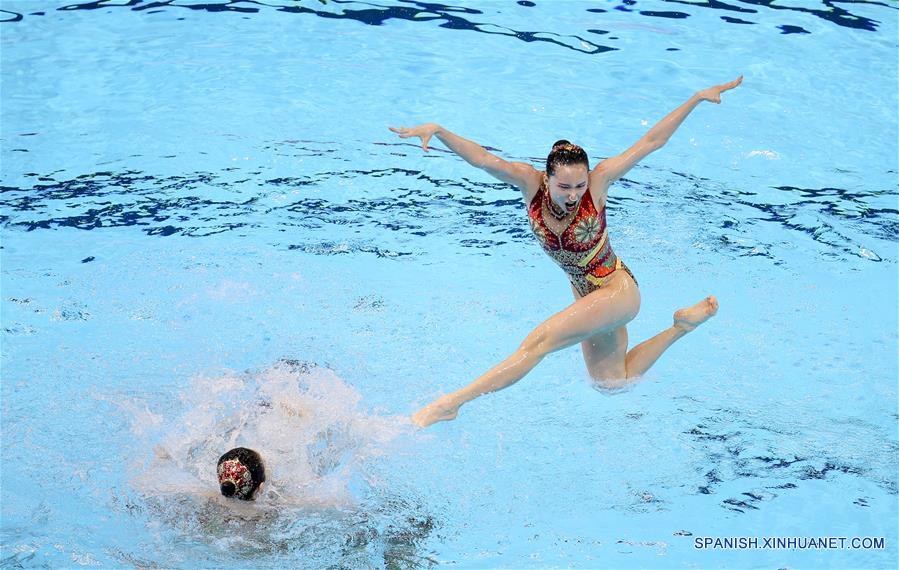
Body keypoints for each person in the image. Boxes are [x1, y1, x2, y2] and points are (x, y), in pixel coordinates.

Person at [390, 76, 742, 428]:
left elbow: (652, 141)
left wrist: (695, 98)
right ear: (547, 178)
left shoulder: (600, 182)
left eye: (579, 185)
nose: (573, 194)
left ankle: (452, 403)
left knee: (538, 343)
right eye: (564, 186)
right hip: (586, 293)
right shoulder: (529, 184)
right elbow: (482, 159)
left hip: (616, 290)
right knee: (612, 383)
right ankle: (681, 326)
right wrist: (438, 130)